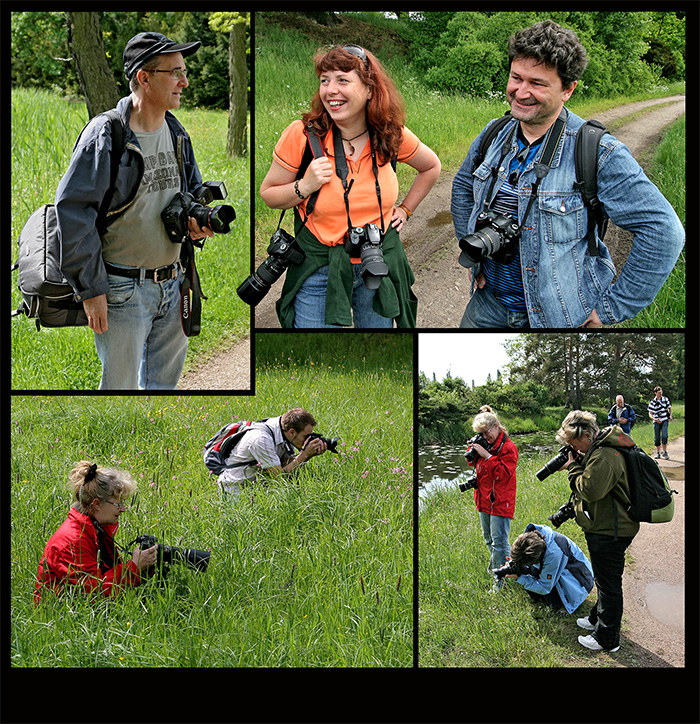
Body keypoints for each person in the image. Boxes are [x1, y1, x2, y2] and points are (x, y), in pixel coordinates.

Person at [451, 20, 684, 329]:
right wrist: (475, 253)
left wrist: (611, 309)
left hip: (559, 316)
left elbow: (664, 232)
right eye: (516, 77)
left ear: (568, 89)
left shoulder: (599, 152)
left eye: (537, 83)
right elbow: (463, 188)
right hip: (487, 304)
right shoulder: (494, 133)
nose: (521, 92)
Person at [55, 32, 215, 389]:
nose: (184, 82)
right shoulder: (107, 133)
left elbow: (191, 194)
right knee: (120, 390)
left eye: (183, 71)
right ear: (144, 77)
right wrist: (91, 290)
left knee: (165, 390)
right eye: (174, 72)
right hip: (121, 291)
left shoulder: (176, 132)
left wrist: (195, 222)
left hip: (175, 284)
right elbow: (74, 211)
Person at [260, 44, 441, 328]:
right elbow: (269, 194)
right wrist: (304, 186)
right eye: (324, 80)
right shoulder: (303, 136)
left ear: (370, 89)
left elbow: (431, 167)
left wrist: (405, 209)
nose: (331, 90)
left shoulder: (390, 135)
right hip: (319, 267)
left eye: (343, 80)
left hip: (375, 263)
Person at [557, 410, 639, 652]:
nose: (574, 448)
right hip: (605, 525)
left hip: (611, 529)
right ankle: (597, 618)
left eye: (574, 443)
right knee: (604, 579)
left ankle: (607, 638)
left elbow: (590, 489)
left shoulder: (604, 455)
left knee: (609, 584)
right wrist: (579, 460)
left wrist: (572, 467)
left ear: (588, 435)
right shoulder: (599, 449)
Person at [35, 461, 157, 603]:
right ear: (97, 504)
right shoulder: (73, 540)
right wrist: (135, 567)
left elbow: (107, 574)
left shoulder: (96, 527)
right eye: (118, 504)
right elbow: (95, 592)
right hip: (61, 617)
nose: (123, 509)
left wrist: (147, 567)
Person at [217, 408, 329, 498]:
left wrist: (309, 455)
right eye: (306, 436)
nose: (308, 440)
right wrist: (304, 455)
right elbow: (278, 477)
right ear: (292, 432)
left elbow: (289, 466)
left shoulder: (283, 430)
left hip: (256, 489)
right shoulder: (261, 439)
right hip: (236, 492)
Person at [465, 405, 518, 588]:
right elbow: (474, 465)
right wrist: (473, 451)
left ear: (496, 426)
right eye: (481, 434)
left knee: (500, 542)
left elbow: (503, 474)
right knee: (489, 540)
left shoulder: (509, 448)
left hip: (500, 501)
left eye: (487, 433)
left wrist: (487, 455)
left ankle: (500, 580)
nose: (485, 437)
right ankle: (508, 567)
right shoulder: (484, 443)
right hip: (484, 499)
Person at [499, 523, 594, 614]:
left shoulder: (553, 554)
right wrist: (516, 562)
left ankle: (565, 603)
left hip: (579, 580)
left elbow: (545, 587)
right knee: (530, 571)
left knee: (553, 602)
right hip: (559, 566)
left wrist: (520, 578)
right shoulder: (530, 540)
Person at [647, 385, 673, 459]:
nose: (660, 394)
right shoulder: (652, 402)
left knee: (665, 436)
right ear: (655, 393)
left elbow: (670, 408)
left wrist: (670, 416)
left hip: (664, 419)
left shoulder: (665, 399)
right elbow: (650, 413)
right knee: (657, 437)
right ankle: (658, 453)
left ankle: (664, 452)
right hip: (656, 421)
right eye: (659, 393)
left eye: (661, 392)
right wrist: (654, 419)